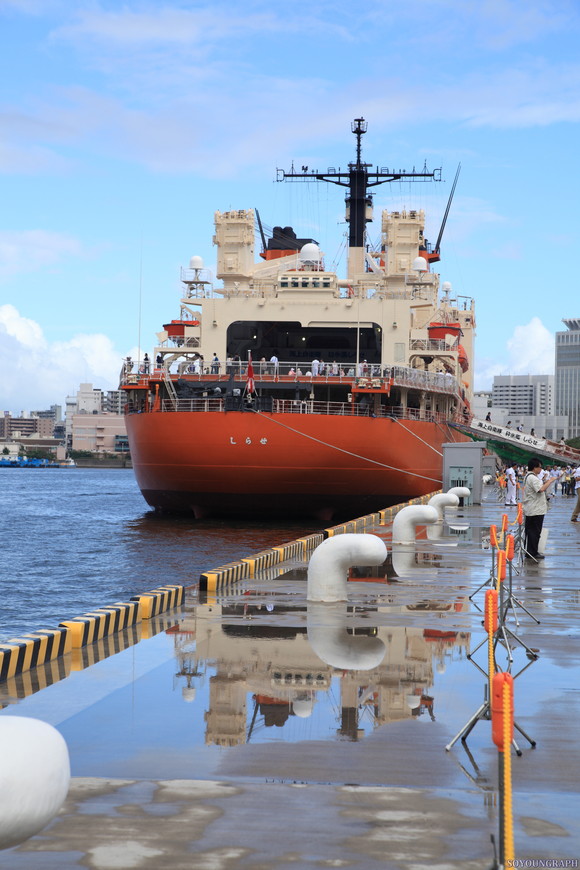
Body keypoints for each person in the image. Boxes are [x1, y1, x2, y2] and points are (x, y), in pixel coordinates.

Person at [522, 458, 556, 560]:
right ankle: (533, 552)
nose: (541, 469)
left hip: (532, 509)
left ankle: (530, 551)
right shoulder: (532, 478)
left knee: (531, 531)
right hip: (535, 510)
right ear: (534, 467)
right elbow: (540, 489)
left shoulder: (531, 477)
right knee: (534, 532)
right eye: (540, 467)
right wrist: (550, 481)